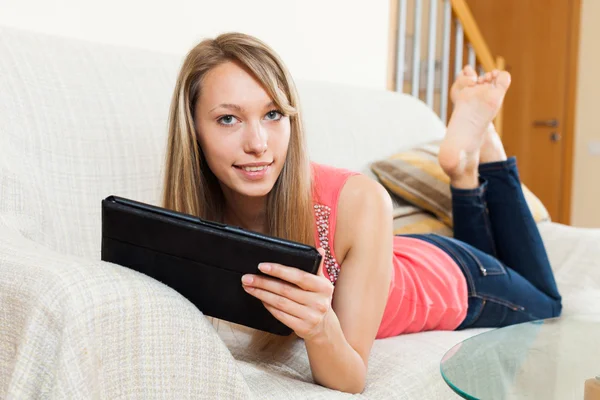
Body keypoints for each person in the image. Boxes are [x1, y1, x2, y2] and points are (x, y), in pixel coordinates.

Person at [161, 32, 562, 394]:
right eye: (228, 119)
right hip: (400, 257)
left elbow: (350, 380)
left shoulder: (359, 199)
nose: (258, 144)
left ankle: (484, 153)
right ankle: (464, 169)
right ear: (193, 129)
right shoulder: (191, 216)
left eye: (273, 114)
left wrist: (320, 326)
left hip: (456, 281)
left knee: (547, 304)